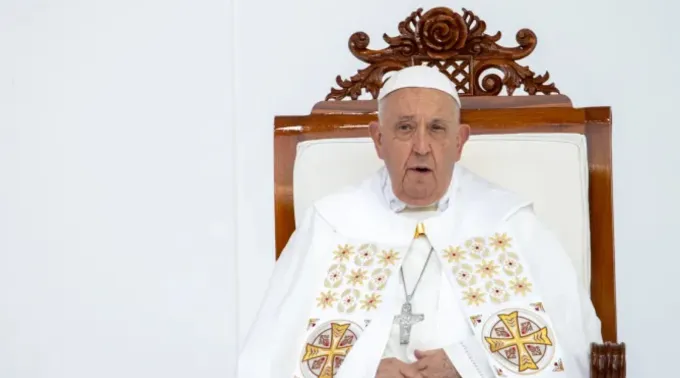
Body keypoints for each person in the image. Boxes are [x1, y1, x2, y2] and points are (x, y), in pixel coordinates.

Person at [237, 65, 602, 378]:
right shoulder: (334, 221)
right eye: (406, 128)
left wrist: (467, 365)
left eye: (438, 129)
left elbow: (572, 347)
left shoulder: (506, 220)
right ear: (378, 139)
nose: (422, 146)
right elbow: (272, 352)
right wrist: (365, 370)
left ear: (459, 142)